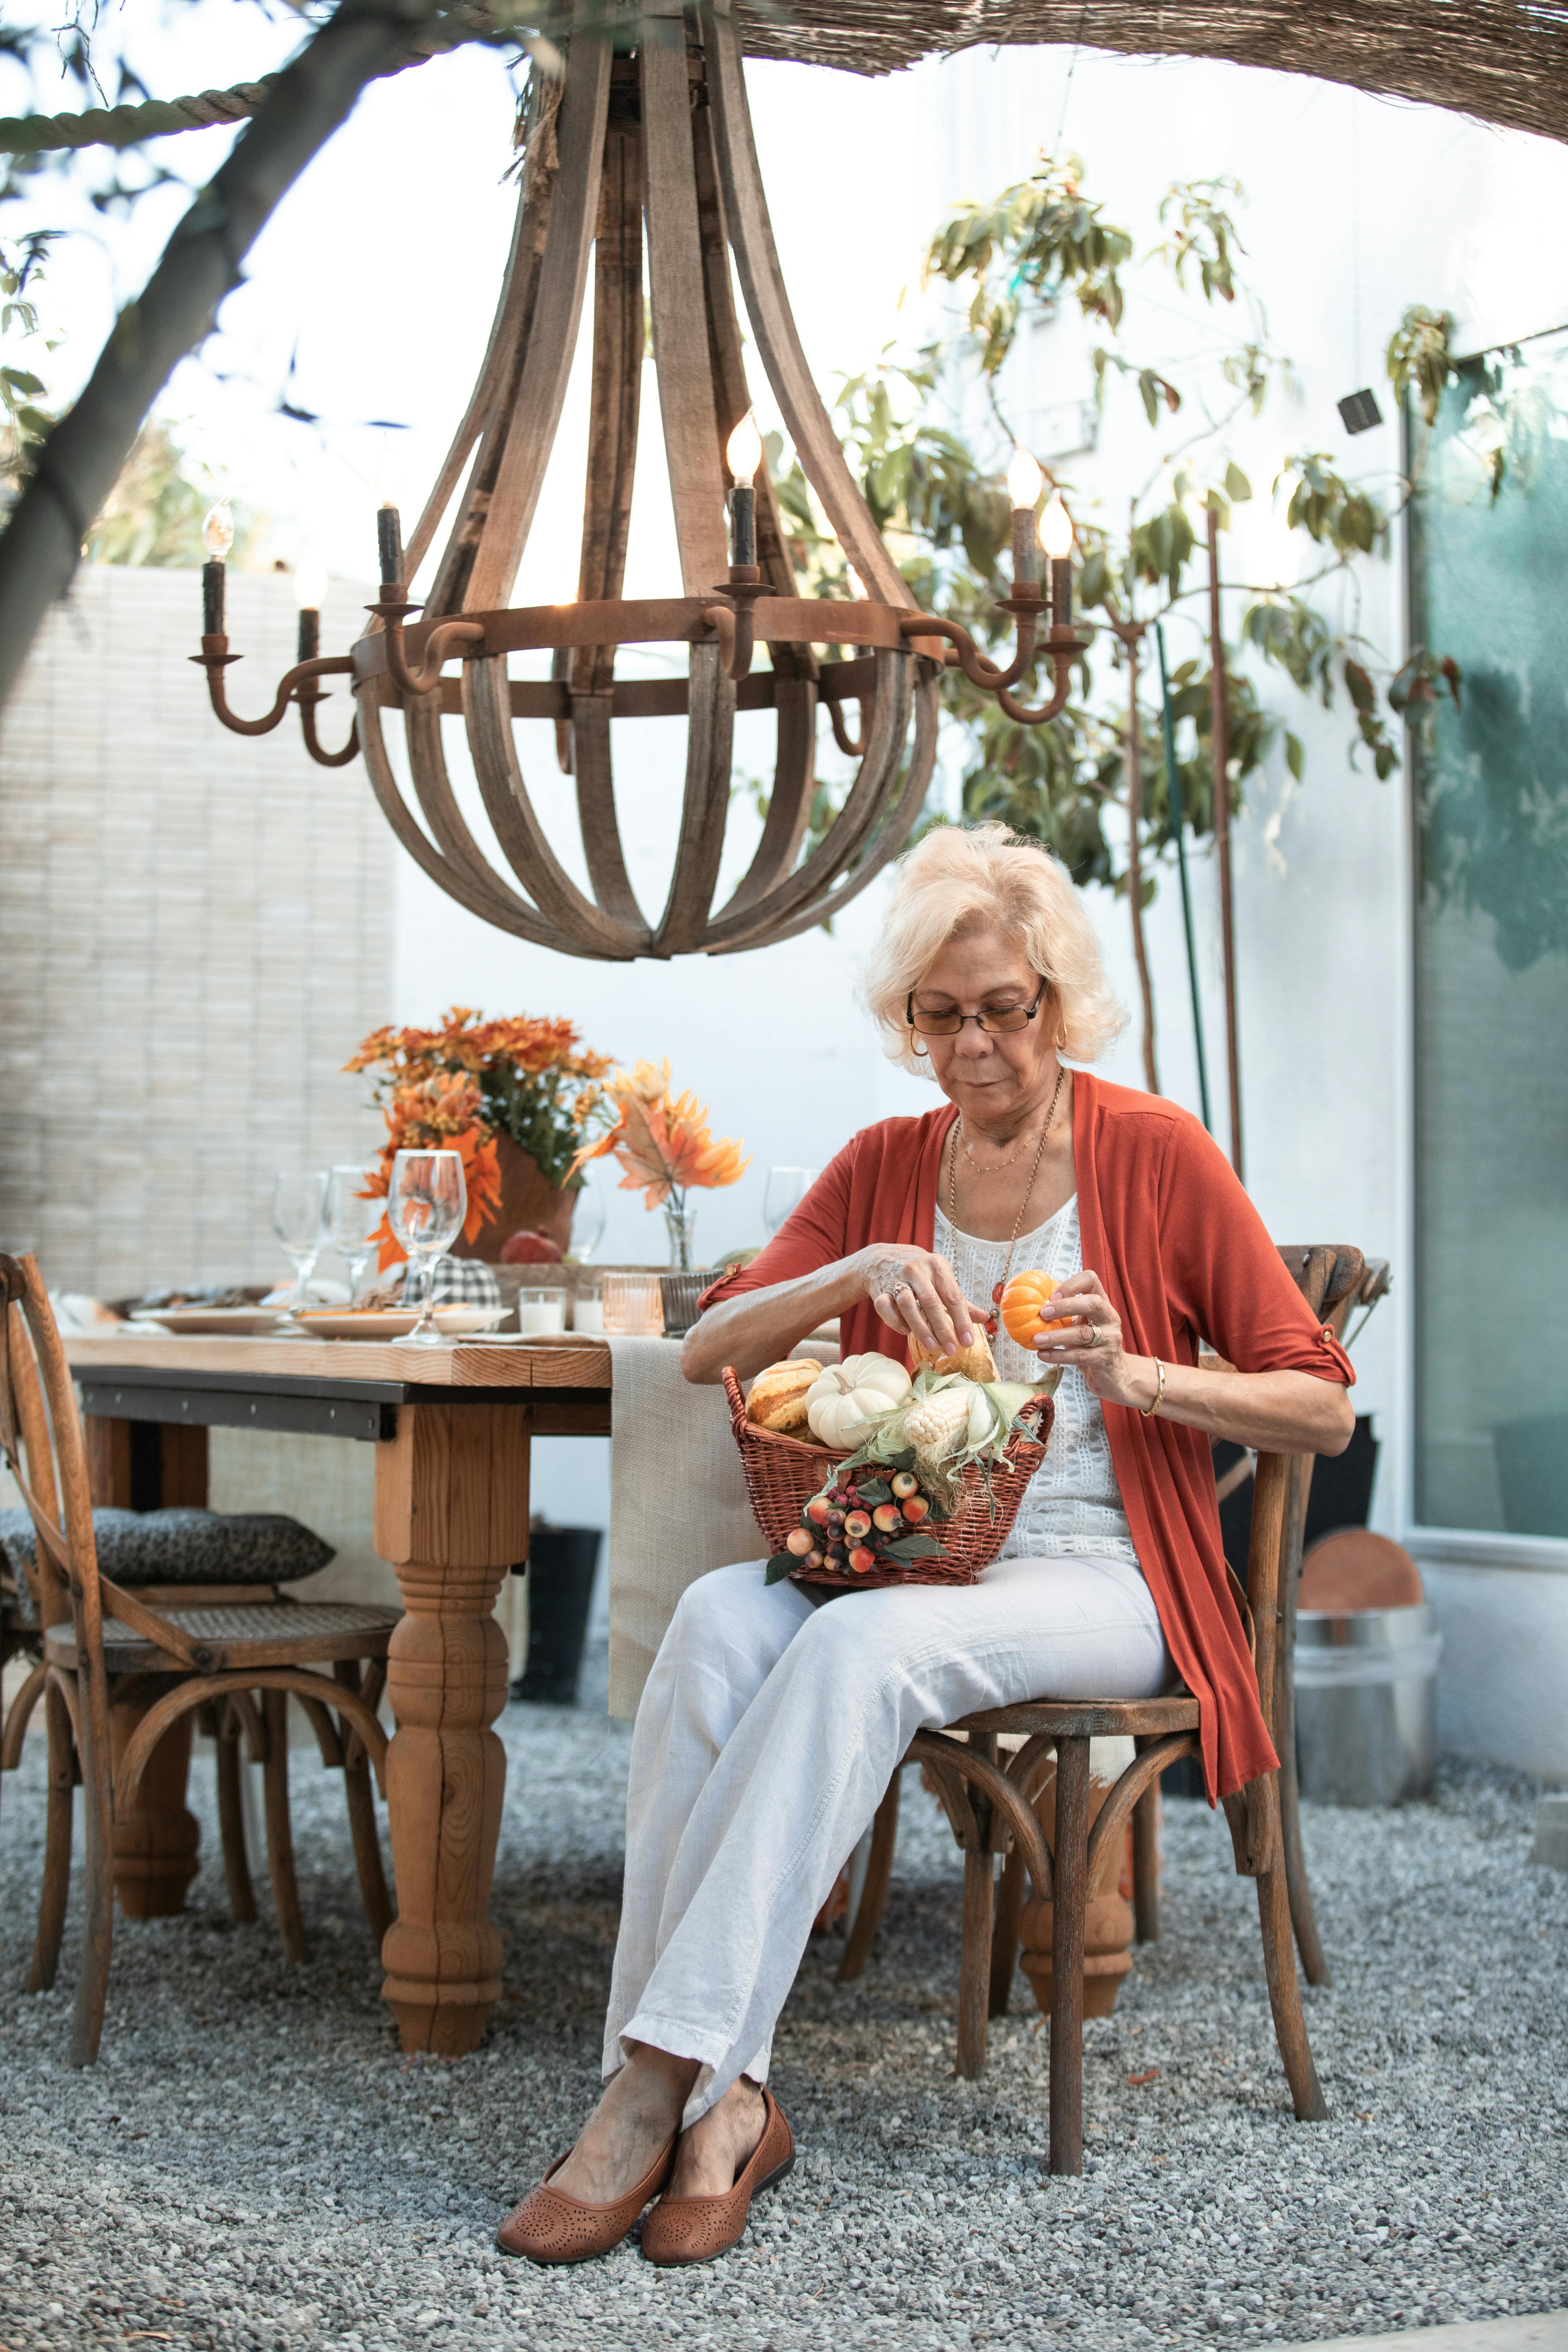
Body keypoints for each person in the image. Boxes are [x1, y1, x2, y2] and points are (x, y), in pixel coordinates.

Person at [497, 822, 1354, 2269]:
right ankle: (730, 2106)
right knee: (717, 1620)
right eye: (938, 1017)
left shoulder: (1156, 1154)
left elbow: (1319, 1404)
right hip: (916, 1552)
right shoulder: (888, 1165)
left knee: (850, 1642)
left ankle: (648, 2085)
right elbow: (708, 1349)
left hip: (1104, 1570)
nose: (972, 1048)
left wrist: (1142, 1374)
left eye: (1002, 1011)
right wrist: (851, 1269)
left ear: (1059, 1001)